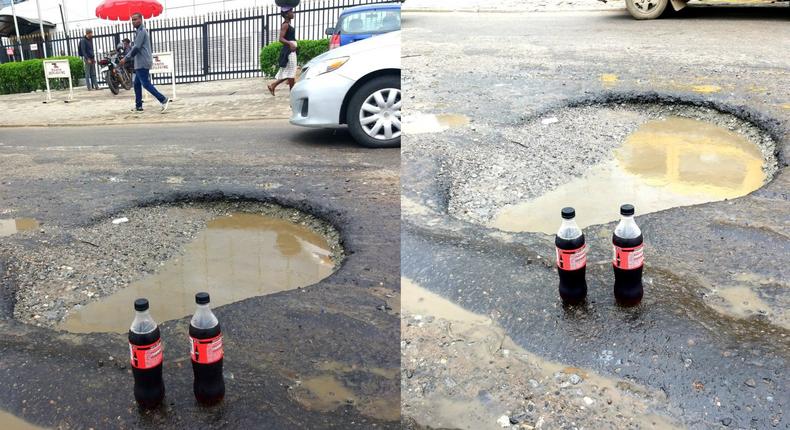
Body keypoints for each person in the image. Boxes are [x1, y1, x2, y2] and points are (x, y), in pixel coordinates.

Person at [120, 13, 170, 113]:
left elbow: (136, 47)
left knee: (146, 84)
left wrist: (126, 58)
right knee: (137, 84)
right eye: (132, 20)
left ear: (141, 20)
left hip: (143, 62)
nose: (133, 21)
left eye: (135, 19)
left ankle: (163, 99)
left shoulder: (142, 31)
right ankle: (139, 106)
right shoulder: (138, 32)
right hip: (139, 62)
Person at [267, 7, 297, 96]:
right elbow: (280, 39)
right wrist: (290, 44)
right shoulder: (285, 25)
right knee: (291, 72)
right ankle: (292, 93)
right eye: (291, 11)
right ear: (287, 14)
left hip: (291, 50)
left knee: (289, 71)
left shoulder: (288, 24)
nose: (293, 13)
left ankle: (273, 85)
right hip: (289, 51)